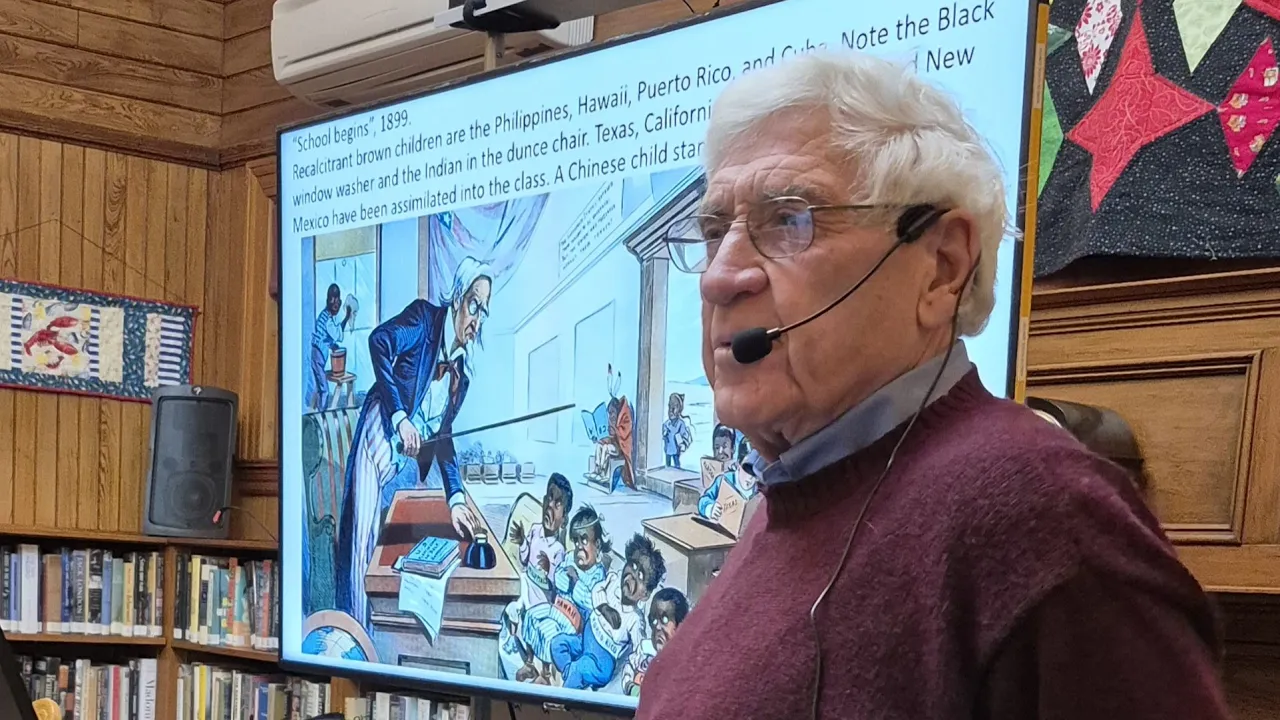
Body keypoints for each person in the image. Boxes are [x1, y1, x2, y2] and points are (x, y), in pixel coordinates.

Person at [637, 52, 1230, 719]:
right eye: (715, 231)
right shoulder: (786, 502)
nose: (720, 277)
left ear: (943, 267)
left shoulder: (1042, 515)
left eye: (789, 220)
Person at [335, 258, 490, 627]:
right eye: (474, 305)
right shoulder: (424, 320)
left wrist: (456, 500)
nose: (477, 320)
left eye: (484, 311)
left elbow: (444, 438)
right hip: (378, 435)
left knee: (390, 546)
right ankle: (356, 634)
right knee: (361, 542)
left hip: (400, 462)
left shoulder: (461, 377)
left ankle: (380, 630)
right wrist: (400, 417)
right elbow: (378, 342)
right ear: (457, 298)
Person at [623, 587, 688, 697]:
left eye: (664, 620)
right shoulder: (644, 649)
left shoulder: (684, 662)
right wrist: (631, 688)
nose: (657, 627)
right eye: (654, 620)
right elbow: (628, 669)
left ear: (681, 625)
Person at [309, 283, 353, 409]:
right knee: (324, 390)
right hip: (318, 355)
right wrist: (347, 318)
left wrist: (332, 345)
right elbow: (337, 334)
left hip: (317, 354)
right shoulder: (328, 320)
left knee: (320, 387)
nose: (336, 303)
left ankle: (317, 411)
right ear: (328, 300)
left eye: (337, 300)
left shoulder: (325, 315)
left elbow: (325, 336)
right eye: (333, 299)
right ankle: (321, 414)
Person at [661, 393, 693, 468]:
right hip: (668, 449)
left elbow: (685, 436)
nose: (671, 410)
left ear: (679, 410)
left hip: (676, 450)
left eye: (674, 408)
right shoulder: (666, 424)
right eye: (670, 407)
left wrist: (682, 443)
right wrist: (664, 434)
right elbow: (663, 434)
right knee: (667, 465)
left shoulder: (681, 424)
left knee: (676, 464)